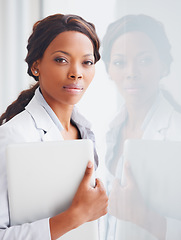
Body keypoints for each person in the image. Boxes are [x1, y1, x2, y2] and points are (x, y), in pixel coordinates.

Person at [0, 13, 108, 240]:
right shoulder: (13, 137)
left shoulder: (85, 130)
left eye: (87, 62)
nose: (76, 72)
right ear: (36, 65)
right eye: (61, 59)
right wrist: (75, 217)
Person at [101, 14, 181, 240]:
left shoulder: (177, 134)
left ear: (163, 65)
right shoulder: (107, 131)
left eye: (144, 60)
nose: (131, 73)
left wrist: (143, 216)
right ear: (109, 70)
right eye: (119, 62)